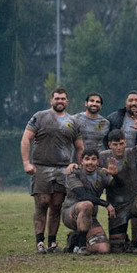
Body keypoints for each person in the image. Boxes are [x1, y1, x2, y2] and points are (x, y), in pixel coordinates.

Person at [20, 88, 84, 254]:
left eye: (63, 98)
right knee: (42, 203)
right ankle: (39, 242)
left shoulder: (73, 121)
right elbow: (26, 139)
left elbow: (79, 147)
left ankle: (52, 243)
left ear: (67, 102)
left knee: (56, 205)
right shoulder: (40, 117)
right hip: (42, 166)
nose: (60, 101)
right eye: (57, 98)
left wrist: (79, 166)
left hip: (63, 169)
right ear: (51, 100)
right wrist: (27, 162)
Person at [99, 121, 137, 254]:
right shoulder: (102, 157)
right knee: (116, 249)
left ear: (125, 142)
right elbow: (87, 164)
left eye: (121, 144)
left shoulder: (133, 153)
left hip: (134, 200)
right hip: (116, 206)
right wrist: (73, 166)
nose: (119, 147)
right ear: (109, 145)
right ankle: (125, 241)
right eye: (115, 144)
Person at [60, 149, 118, 255]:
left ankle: (75, 240)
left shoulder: (101, 173)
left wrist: (116, 175)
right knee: (87, 204)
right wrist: (106, 204)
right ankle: (82, 247)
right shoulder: (74, 172)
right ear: (81, 161)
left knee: (103, 249)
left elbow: (117, 186)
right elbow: (83, 196)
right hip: (70, 214)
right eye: (87, 159)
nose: (90, 162)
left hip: (90, 217)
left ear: (98, 161)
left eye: (93, 159)